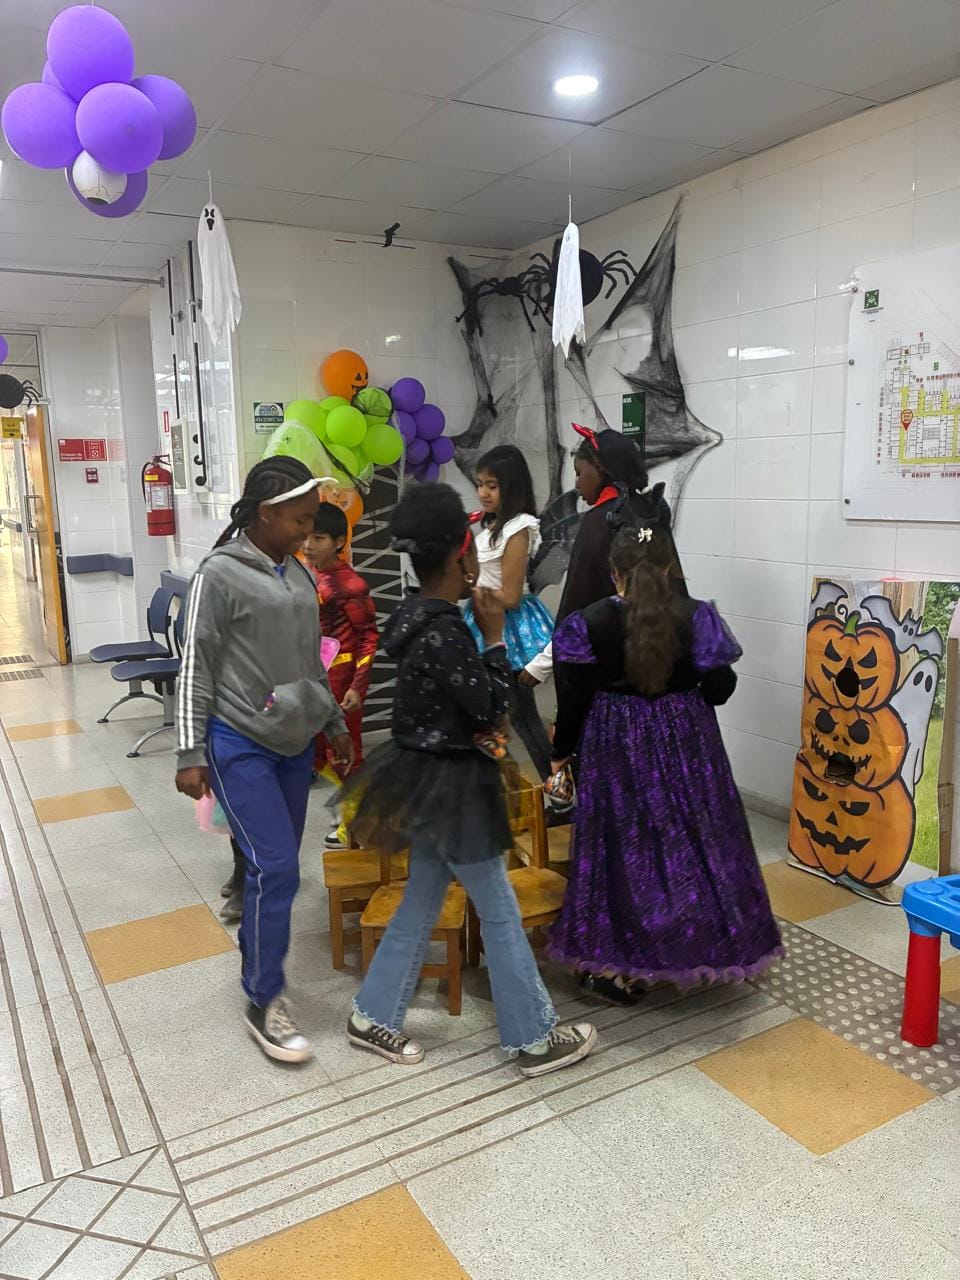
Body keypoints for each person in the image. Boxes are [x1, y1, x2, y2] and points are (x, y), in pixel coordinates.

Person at [340, 482, 597, 1078]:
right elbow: (492, 705)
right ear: (462, 554)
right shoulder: (446, 630)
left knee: (422, 900)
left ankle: (371, 1015)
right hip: (452, 788)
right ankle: (533, 1039)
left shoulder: (417, 618)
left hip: (430, 781)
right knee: (500, 910)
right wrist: (498, 637)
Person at [546, 526, 783, 1003]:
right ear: (669, 568)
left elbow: (572, 696)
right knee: (693, 838)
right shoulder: (696, 617)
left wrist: (561, 752)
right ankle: (700, 941)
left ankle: (617, 965)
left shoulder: (587, 622)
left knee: (623, 845)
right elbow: (721, 689)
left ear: (613, 573)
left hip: (616, 741)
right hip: (686, 740)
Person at [175, 457, 354, 1064]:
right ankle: (263, 996)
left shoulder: (297, 572)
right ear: (265, 513)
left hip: (293, 744)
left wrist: (332, 721)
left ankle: (259, 966)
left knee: (271, 869)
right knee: (276, 868)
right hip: (238, 740)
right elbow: (195, 665)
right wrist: (189, 750)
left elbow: (310, 660)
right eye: (299, 520)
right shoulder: (218, 574)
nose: (308, 531)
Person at [462, 445, 554, 780]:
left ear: (511, 487)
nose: (483, 493)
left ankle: (559, 792)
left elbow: (512, 596)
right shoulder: (490, 526)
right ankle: (502, 789)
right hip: (484, 621)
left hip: (509, 628)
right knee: (493, 717)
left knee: (523, 717)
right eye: (480, 484)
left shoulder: (519, 527)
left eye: (492, 485)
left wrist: (467, 591)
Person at [302, 502, 378, 850]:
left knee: (345, 752)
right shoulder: (305, 575)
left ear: (338, 542)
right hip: (312, 677)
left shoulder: (350, 584)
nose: (309, 545)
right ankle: (353, 814)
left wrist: (358, 686)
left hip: (341, 680)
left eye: (318, 538)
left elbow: (369, 636)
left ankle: (358, 824)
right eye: (307, 536)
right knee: (316, 751)